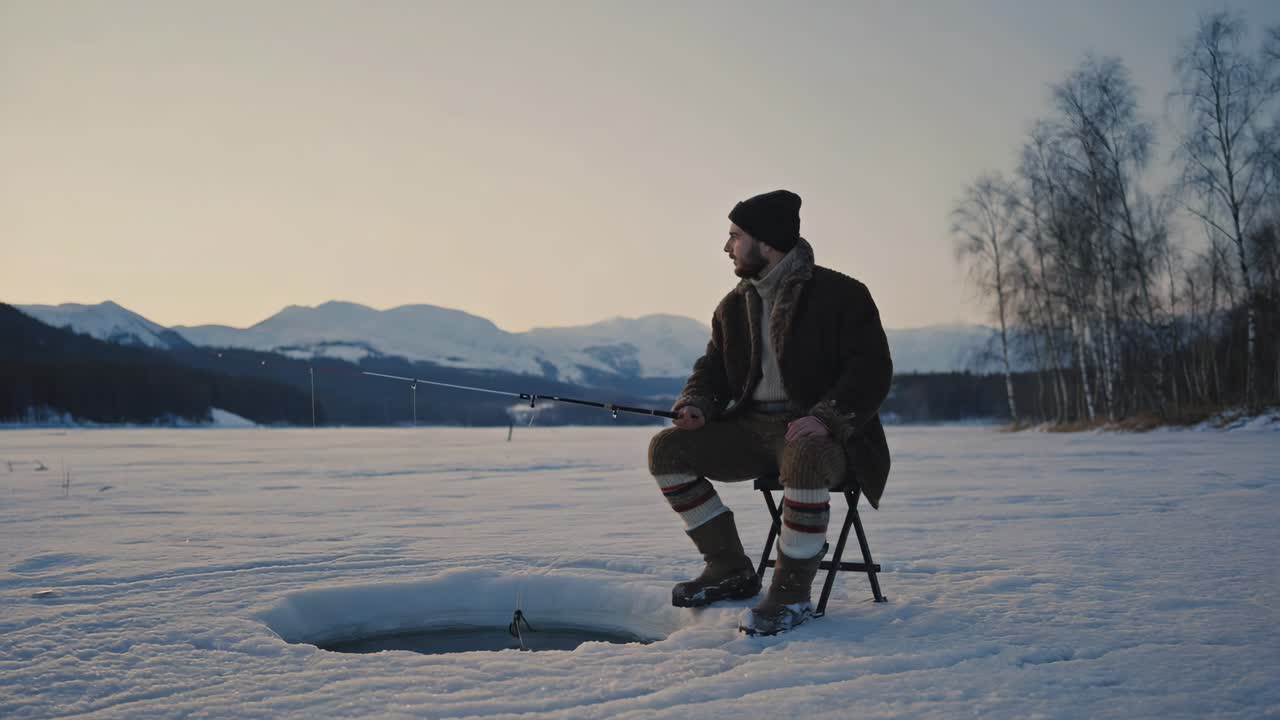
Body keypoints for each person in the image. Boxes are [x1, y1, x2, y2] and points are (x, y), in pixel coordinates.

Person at [647, 189, 893, 635]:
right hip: (750, 430)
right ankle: (728, 567)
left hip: (827, 436)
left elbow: (871, 372)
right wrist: (696, 405)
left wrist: (824, 418)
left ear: (767, 241)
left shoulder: (842, 295)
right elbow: (712, 371)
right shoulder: (732, 307)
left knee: (805, 453)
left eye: (735, 236)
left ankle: (791, 592)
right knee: (667, 449)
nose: (727, 247)